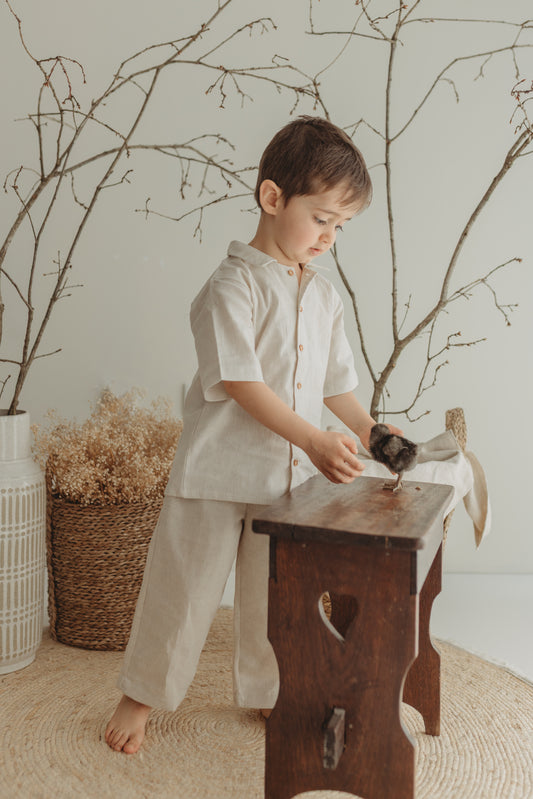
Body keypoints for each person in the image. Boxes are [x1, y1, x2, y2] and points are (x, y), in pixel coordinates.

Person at [105, 115, 402, 754]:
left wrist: (370, 431)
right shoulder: (230, 286)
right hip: (215, 471)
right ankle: (140, 694)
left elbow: (336, 385)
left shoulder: (323, 298)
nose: (329, 237)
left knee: (280, 598)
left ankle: (272, 693)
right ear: (273, 199)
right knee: (181, 588)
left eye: (340, 227)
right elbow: (241, 383)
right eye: (321, 218)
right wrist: (314, 442)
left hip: (287, 483)